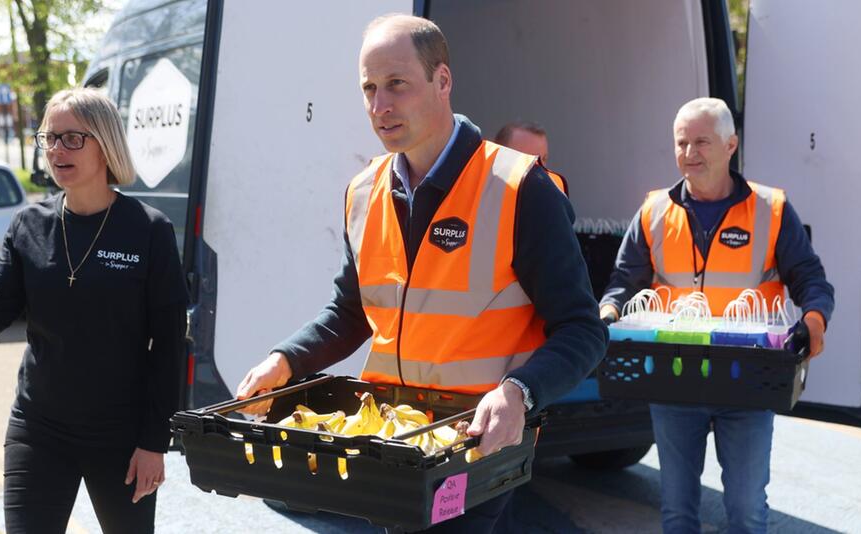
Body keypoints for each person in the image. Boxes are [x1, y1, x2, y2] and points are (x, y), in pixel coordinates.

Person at [235, 14, 607, 533]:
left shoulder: (521, 187)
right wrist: (285, 359)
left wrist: (520, 391)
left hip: (476, 449)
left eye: (396, 85)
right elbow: (350, 312)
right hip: (390, 447)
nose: (379, 106)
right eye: (369, 88)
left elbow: (583, 330)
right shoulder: (363, 191)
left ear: (443, 81)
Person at [0, 88, 188, 534]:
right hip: (38, 428)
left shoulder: (149, 230)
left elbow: (170, 344)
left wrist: (154, 442)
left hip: (119, 435)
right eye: (49, 138)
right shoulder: (29, 224)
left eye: (72, 139)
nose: (57, 150)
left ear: (106, 143)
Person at [600, 97, 834, 534]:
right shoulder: (653, 212)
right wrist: (608, 312)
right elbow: (623, 281)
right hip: (672, 376)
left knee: (746, 510)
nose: (690, 154)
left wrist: (815, 320)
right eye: (681, 143)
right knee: (677, 511)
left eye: (701, 142)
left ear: (731, 145)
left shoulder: (771, 209)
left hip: (747, 379)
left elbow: (810, 279)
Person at [494, 121, 568, 196]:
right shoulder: (485, 198)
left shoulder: (551, 200)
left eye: (544, 159)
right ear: (500, 157)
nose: (541, 169)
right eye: (529, 160)